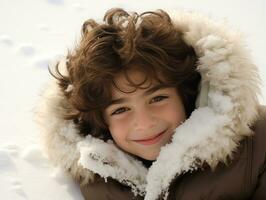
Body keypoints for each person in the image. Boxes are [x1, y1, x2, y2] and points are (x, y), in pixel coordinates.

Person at [36, 8, 266, 200]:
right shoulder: (90, 171)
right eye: (121, 109)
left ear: (186, 94)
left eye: (157, 98)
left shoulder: (258, 145)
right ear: (101, 122)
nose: (144, 123)